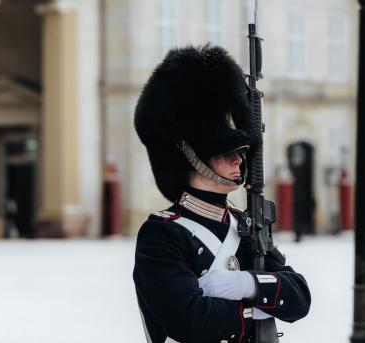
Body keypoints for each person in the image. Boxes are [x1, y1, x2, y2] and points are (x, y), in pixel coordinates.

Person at [133, 45, 311, 343]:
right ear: (191, 156)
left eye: (242, 151)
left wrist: (248, 284)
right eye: (227, 151)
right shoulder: (162, 234)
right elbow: (188, 322)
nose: (239, 160)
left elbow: (299, 297)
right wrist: (258, 306)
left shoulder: (245, 225)